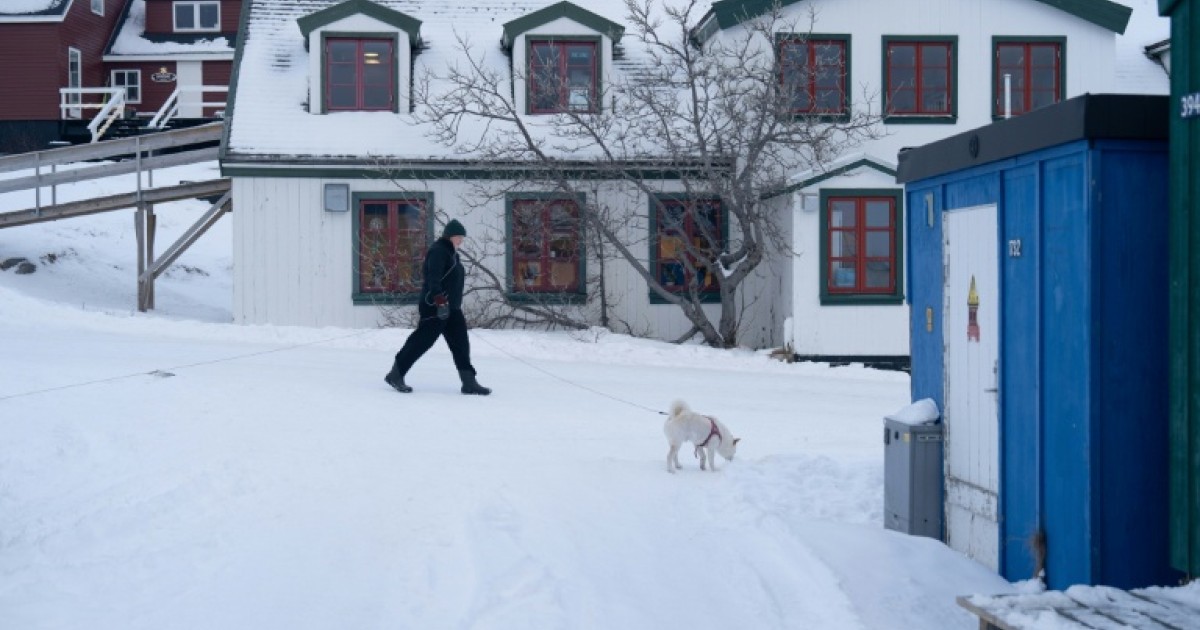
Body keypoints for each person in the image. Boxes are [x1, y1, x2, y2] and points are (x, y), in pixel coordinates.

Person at [384, 219, 491, 395]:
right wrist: (440, 302)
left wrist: (450, 304)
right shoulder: (438, 251)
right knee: (422, 341)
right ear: (450, 236)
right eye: (459, 237)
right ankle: (395, 374)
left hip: (452, 308)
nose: (461, 241)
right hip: (435, 306)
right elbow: (433, 279)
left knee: (461, 343)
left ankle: (469, 382)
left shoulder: (452, 254)